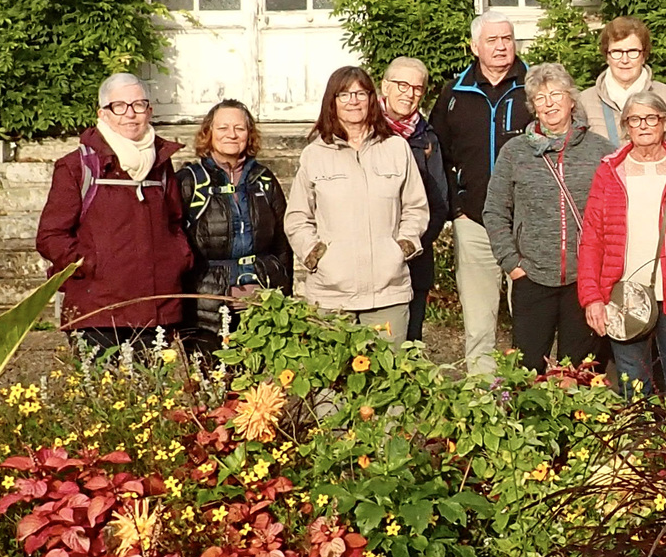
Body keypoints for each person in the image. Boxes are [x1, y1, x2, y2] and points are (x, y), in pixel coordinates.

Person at [36, 74, 195, 350]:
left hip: (156, 308)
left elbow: (174, 223)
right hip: (96, 309)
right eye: (119, 106)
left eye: (138, 105)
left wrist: (178, 259)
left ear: (150, 111)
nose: (130, 115)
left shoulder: (161, 165)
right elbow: (50, 236)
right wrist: (90, 264)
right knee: (101, 391)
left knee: (154, 392)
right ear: (103, 114)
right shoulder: (76, 167)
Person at [484, 63, 616, 373]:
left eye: (556, 94)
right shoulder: (515, 152)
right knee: (528, 370)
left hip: (583, 279)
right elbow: (494, 210)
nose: (550, 103)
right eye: (540, 98)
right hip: (532, 276)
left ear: (572, 100)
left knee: (580, 372)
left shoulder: (601, 151)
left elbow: (615, 211)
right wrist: (512, 264)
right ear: (533, 107)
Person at [285, 66, 429, 343]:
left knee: (388, 380)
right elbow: (298, 218)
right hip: (331, 294)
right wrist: (315, 254)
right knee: (331, 382)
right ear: (332, 102)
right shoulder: (314, 154)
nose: (353, 100)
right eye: (344, 94)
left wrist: (402, 246)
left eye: (360, 93)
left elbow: (415, 207)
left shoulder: (396, 148)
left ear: (372, 99)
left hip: (388, 291)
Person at [578, 91, 666, 394]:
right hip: (624, 297)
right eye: (635, 119)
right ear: (626, 125)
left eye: (652, 118)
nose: (644, 126)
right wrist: (592, 297)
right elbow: (591, 238)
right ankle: (642, 442)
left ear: (665, 123)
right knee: (634, 385)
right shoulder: (610, 171)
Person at [430, 11, 534, 374]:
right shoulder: (454, 93)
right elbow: (437, 151)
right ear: (475, 46)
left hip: (526, 224)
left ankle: (531, 401)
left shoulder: (534, 87)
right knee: (478, 323)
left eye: (507, 38)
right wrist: (455, 206)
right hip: (473, 222)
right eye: (492, 40)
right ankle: (483, 405)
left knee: (530, 322)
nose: (502, 46)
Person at [176, 99, 292, 357]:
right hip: (207, 307)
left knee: (260, 392)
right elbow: (174, 244)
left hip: (261, 301)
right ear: (209, 133)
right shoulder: (189, 181)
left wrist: (286, 293)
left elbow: (282, 242)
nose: (232, 134)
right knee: (213, 388)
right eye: (223, 128)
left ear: (249, 134)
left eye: (239, 128)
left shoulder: (263, 179)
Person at [380, 56, 450, 342]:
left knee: (410, 342)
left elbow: (439, 201)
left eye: (417, 88)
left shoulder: (427, 138)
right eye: (401, 85)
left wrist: (414, 242)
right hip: (369, 263)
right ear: (385, 87)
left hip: (414, 258)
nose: (409, 94)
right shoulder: (364, 132)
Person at [576, 16, 666, 154]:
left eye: (632, 52)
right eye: (617, 52)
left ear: (643, 55)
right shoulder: (584, 101)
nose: (624, 60)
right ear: (607, 56)